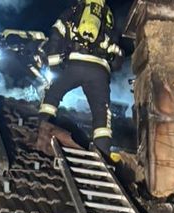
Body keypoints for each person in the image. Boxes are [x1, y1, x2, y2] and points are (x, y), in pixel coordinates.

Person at [38, 1, 124, 158]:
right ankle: (103, 154)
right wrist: (108, 67)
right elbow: (118, 57)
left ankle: (41, 127)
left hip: (75, 63)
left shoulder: (75, 9)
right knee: (102, 113)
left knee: (53, 94)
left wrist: (54, 63)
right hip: (99, 70)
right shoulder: (107, 16)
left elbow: (57, 31)